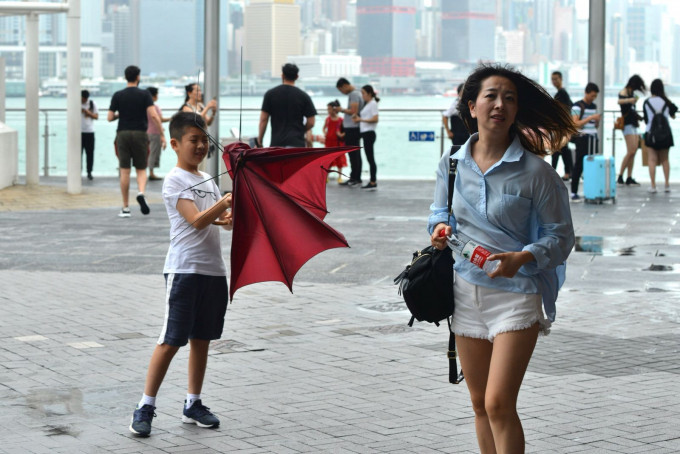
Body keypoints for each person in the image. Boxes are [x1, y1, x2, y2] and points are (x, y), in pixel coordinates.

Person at [428, 64, 576, 454]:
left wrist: (524, 256)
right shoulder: (453, 163)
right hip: (465, 292)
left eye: (509, 98)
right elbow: (438, 211)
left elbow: (561, 236)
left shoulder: (537, 173)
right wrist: (439, 228)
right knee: (479, 405)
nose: (500, 104)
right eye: (491, 96)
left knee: (498, 403)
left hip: (516, 294)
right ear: (471, 106)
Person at [128, 112, 233, 438]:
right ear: (174, 143)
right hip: (184, 270)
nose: (201, 146)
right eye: (194, 140)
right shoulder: (175, 180)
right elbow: (197, 220)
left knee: (202, 340)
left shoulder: (209, 179)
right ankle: (145, 407)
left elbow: (218, 220)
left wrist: (231, 215)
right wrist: (226, 201)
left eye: (204, 140)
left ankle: (193, 403)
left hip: (213, 271)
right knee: (171, 340)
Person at [108, 65, 163, 218]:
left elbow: (109, 117)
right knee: (141, 169)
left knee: (125, 170)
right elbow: (153, 115)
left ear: (126, 77)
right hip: (140, 134)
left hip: (123, 133)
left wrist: (122, 114)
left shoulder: (118, 95)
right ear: (138, 77)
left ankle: (125, 208)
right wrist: (162, 134)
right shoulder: (145, 94)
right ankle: (141, 193)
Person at [257, 63, 317, 148]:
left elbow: (263, 120)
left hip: (276, 144)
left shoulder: (270, 94)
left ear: (282, 75)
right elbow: (311, 122)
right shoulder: (303, 96)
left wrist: (260, 140)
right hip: (297, 144)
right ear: (297, 77)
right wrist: (300, 130)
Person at [643, 79, 678, 193]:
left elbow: (646, 120)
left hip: (650, 134)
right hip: (665, 134)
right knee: (665, 159)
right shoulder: (666, 102)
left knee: (652, 160)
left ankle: (653, 186)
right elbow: (674, 111)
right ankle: (667, 184)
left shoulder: (647, 102)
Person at [570, 82, 601, 200]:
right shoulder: (577, 106)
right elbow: (575, 123)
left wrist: (596, 120)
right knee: (579, 164)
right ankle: (574, 191)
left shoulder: (593, 106)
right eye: (592, 95)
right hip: (582, 138)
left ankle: (590, 190)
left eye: (595, 96)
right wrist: (590, 118)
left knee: (592, 164)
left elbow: (594, 125)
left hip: (593, 137)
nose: (593, 98)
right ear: (586, 93)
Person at [617, 75, 646, 186]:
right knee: (630, 151)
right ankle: (620, 175)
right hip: (627, 125)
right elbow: (619, 101)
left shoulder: (632, 93)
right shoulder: (624, 92)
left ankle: (629, 177)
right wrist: (631, 100)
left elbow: (631, 109)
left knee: (633, 151)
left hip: (633, 124)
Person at [335, 77, 365, 186]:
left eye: (341, 90)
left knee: (353, 153)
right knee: (355, 153)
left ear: (345, 86)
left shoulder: (354, 94)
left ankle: (354, 178)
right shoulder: (357, 93)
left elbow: (353, 111)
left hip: (352, 127)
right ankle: (356, 177)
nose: (342, 92)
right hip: (355, 127)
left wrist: (341, 110)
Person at [352, 85, 379, 190]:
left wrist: (361, 120)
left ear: (369, 93)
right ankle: (372, 180)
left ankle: (373, 181)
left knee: (370, 158)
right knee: (369, 157)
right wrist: (359, 118)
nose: (362, 96)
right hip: (365, 132)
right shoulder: (367, 104)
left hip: (369, 133)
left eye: (363, 93)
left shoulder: (372, 104)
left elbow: (375, 119)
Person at [550, 71, 573, 180]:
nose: (554, 81)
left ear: (561, 79)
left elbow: (567, 109)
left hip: (561, 127)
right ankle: (566, 172)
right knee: (562, 150)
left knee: (558, 149)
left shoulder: (562, 93)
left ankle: (555, 172)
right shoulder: (561, 93)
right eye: (552, 79)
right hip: (560, 126)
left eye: (556, 79)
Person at [147, 87, 169, 181]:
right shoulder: (155, 107)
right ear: (154, 96)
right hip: (155, 132)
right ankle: (151, 173)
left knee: (149, 152)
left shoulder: (144, 107)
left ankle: (149, 172)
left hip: (146, 132)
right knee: (153, 152)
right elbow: (160, 119)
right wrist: (172, 118)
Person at [322, 101, 348, 183]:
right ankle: (326, 177)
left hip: (337, 142)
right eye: (327, 109)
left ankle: (340, 177)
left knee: (339, 159)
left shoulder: (340, 120)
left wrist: (341, 135)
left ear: (334, 109)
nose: (328, 111)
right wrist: (324, 132)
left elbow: (345, 131)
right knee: (328, 160)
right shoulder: (328, 119)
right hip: (329, 142)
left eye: (329, 109)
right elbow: (324, 128)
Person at [81, 90, 99, 181]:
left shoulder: (92, 103)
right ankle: (77, 171)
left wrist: (88, 113)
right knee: (78, 154)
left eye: (84, 99)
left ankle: (89, 172)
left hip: (89, 132)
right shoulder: (76, 103)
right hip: (78, 132)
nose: (82, 100)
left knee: (90, 153)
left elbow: (96, 116)